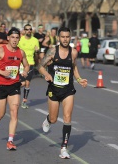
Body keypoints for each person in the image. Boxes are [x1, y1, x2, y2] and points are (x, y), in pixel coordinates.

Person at [37, 27, 87, 159]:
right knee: (54, 119)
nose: (65, 39)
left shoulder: (74, 53)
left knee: (67, 117)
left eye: (67, 37)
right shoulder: (53, 51)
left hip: (68, 90)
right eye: (63, 37)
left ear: (70, 37)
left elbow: (74, 67)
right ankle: (48, 120)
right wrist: (47, 74)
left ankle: (63, 148)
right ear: (59, 38)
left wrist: (79, 79)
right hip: (54, 89)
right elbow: (40, 66)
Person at [0, 27, 29, 150]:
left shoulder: (21, 52)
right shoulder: (1, 51)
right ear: (8, 38)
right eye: (13, 37)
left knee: (14, 111)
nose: (15, 40)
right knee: (1, 113)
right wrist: (2, 72)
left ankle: (10, 141)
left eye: (17, 38)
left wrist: (25, 72)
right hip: (0, 85)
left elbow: (26, 65)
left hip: (14, 85)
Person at [18, 24, 40, 109]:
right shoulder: (20, 40)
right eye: (27, 29)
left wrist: (37, 53)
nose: (29, 31)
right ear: (24, 31)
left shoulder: (35, 40)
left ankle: (24, 101)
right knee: (22, 83)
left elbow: (37, 53)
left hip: (31, 63)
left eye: (30, 29)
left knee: (27, 83)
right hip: (21, 64)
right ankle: (12, 89)